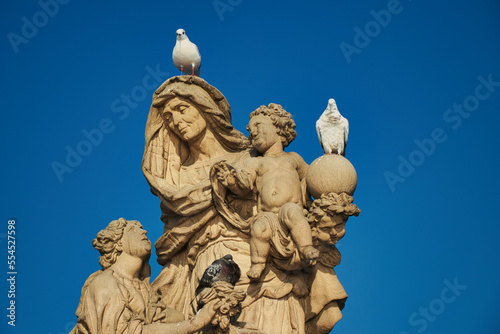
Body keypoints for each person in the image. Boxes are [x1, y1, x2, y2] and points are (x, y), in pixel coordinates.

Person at [142, 76, 254, 316]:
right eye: (169, 118)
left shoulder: (247, 159)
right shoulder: (176, 181)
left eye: (182, 109)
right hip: (203, 266)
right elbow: (173, 239)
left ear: (205, 107)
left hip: (254, 260)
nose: (176, 122)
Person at [215, 103, 320, 280]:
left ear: (278, 127)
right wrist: (232, 182)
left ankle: (306, 247)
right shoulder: (255, 163)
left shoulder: (293, 159)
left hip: (290, 208)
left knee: (294, 214)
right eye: (249, 129)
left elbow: (312, 178)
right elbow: (245, 186)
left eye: (258, 126)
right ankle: (258, 264)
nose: (252, 132)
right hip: (267, 214)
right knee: (259, 228)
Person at [71, 218, 218, 334]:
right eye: (134, 230)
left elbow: (178, 318)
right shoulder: (105, 283)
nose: (144, 232)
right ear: (118, 244)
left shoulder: (146, 291)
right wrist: (194, 324)